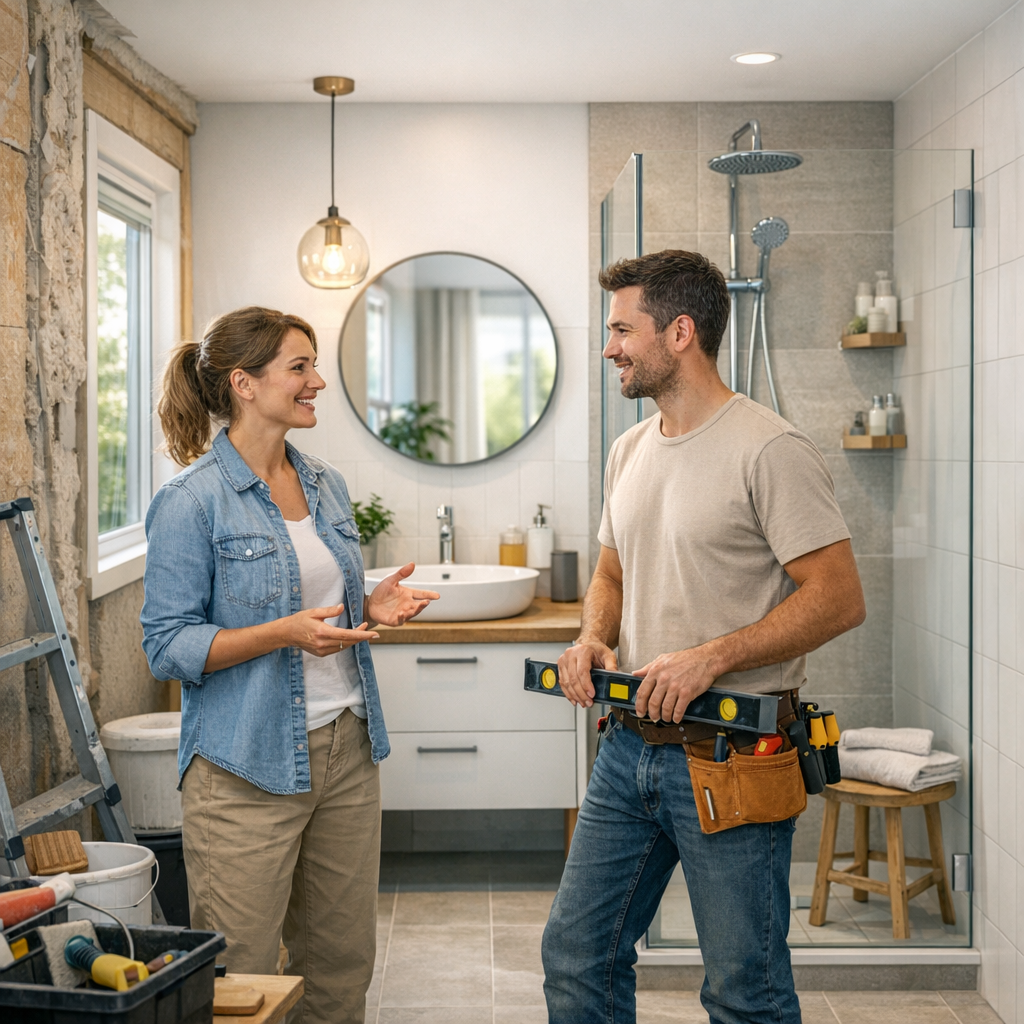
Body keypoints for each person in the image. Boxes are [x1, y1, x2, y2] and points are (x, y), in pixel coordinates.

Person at [541, 251, 866, 1024]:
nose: (610, 346)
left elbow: (840, 598)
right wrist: (592, 638)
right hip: (627, 749)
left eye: (623, 329)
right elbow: (611, 576)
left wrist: (713, 655)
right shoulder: (631, 448)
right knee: (577, 955)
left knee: (742, 990)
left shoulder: (769, 448)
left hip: (732, 755)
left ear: (679, 332)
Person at [141, 306, 438, 1024]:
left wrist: (371, 603)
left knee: (340, 965)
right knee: (243, 976)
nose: (318, 382)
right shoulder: (191, 501)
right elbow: (168, 645)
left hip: (346, 749)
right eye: (299, 368)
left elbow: (315, 603)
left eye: (312, 365)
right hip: (245, 764)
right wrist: (280, 635)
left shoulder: (325, 483)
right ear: (244, 383)